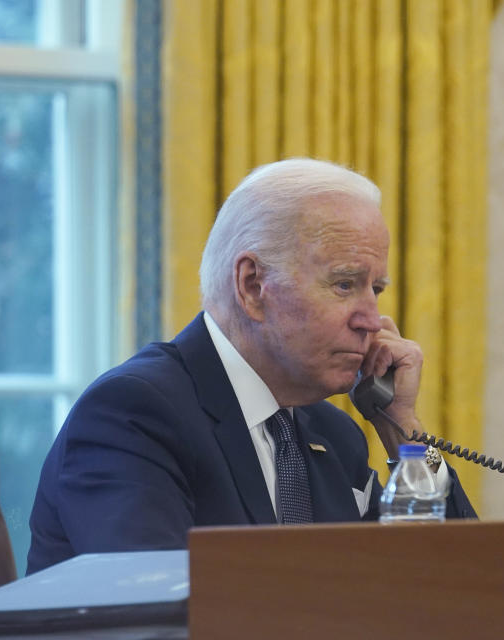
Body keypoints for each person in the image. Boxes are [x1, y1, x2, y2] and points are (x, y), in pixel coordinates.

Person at [26, 158, 477, 574]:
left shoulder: (334, 435)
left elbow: (448, 579)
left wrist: (402, 428)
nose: (370, 320)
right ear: (252, 285)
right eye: (344, 285)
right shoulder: (134, 413)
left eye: (375, 289)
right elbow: (151, 609)